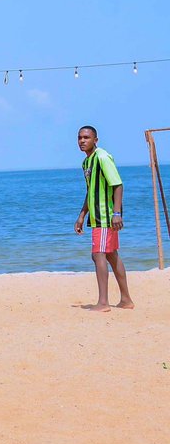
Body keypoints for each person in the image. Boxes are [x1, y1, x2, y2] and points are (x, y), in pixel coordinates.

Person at [74, 125, 134, 312]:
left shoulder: (101, 157)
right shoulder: (86, 163)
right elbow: (90, 191)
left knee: (97, 254)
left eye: (86, 137)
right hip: (97, 216)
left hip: (106, 217)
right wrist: (82, 215)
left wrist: (116, 214)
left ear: (95, 140)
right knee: (111, 255)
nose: (82, 141)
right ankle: (126, 300)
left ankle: (103, 302)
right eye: (80, 138)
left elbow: (117, 184)